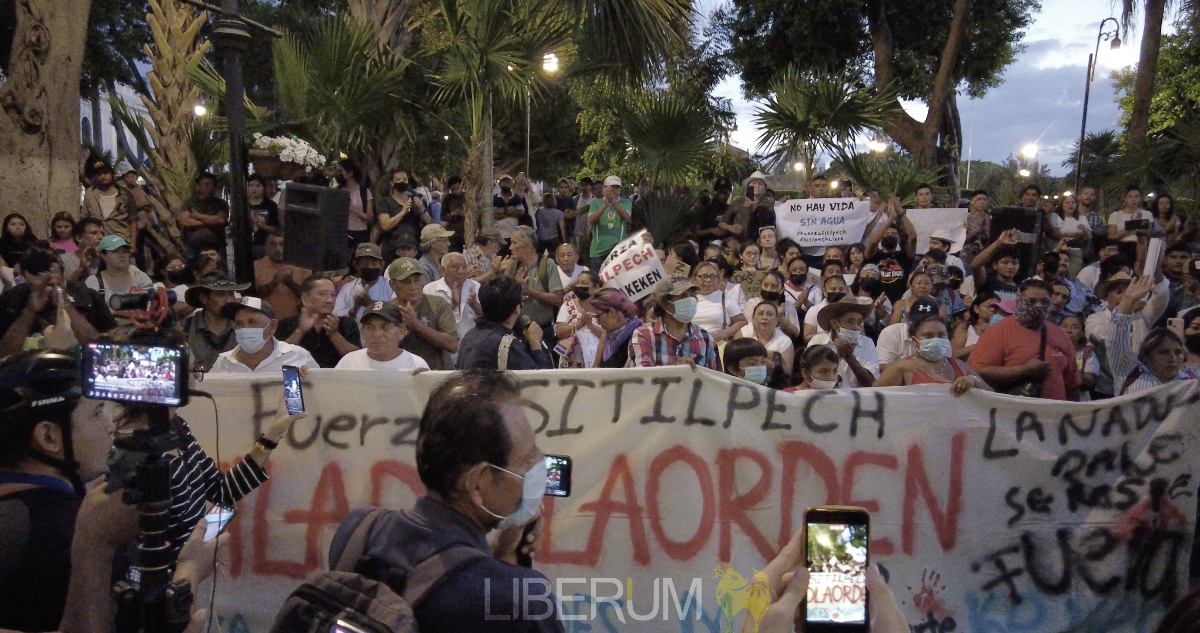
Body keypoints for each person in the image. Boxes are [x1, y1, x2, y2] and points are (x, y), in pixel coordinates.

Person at [328, 371, 560, 632]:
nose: (542, 462)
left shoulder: (359, 530)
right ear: (478, 483)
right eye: (529, 459)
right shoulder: (522, 601)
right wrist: (508, 575)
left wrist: (501, 558)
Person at [0, 350, 116, 631]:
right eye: (97, 413)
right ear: (49, 437)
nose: (110, 426)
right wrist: (192, 569)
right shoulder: (79, 531)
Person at [969, 279, 1081, 400]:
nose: (1038, 306)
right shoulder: (998, 331)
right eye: (1032, 301)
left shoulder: (1061, 335)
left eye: (1044, 301)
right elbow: (978, 372)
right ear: (1019, 302)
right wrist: (1024, 370)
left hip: (1052, 415)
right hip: (1010, 413)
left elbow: (1071, 385)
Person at [1106, 274, 1197, 394]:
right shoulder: (1129, 373)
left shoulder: (1192, 384)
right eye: (1163, 352)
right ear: (1146, 356)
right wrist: (1127, 301)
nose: (1173, 358)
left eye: (1178, 352)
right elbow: (1115, 341)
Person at [874, 308, 992, 396]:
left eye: (941, 335)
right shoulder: (901, 368)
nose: (936, 340)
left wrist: (973, 380)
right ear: (915, 341)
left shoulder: (960, 367)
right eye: (928, 336)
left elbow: (995, 399)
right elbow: (873, 398)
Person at [456, 275, 552, 370]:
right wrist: (536, 344)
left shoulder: (469, 336)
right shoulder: (507, 345)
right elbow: (539, 381)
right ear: (517, 309)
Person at [628, 275, 722, 370]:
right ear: (664, 303)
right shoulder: (643, 335)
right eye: (682, 296)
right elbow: (642, 378)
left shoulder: (706, 339)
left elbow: (716, 380)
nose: (690, 301)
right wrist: (676, 371)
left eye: (692, 296)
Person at [210, 296, 318, 373]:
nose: (245, 328)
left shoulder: (298, 357)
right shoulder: (223, 363)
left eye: (252, 322)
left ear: (272, 326)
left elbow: (321, 393)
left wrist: (307, 380)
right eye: (239, 323)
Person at [386, 257, 459, 370]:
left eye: (417, 280)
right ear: (392, 285)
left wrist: (417, 325)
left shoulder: (438, 304)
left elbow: (453, 345)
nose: (413, 286)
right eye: (406, 282)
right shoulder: (388, 310)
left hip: (437, 376)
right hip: (402, 376)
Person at [276, 277, 361, 368]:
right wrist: (300, 331)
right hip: (300, 379)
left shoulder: (347, 324)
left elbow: (358, 358)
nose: (330, 300)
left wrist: (334, 335)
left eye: (333, 295)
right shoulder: (286, 324)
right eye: (322, 294)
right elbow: (276, 358)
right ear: (305, 298)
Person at [503, 226, 564, 340]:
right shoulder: (512, 267)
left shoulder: (547, 264)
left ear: (527, 245)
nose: (511, 247)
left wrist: (529, 292)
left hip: (542, 333)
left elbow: (557, 299)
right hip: (517, 332)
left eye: (514, 243)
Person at [334, 301, 430, 372]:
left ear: (401, 332)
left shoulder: (416, 364)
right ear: (362, 332)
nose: (377, 334)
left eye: (385, 327)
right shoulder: (349, 362)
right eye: (370, 327)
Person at [806, 296, 880, 388]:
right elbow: (809, 377)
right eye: (850, 321)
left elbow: (870, 383)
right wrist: (837, 356)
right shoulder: (818, 341)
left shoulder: (867, 343)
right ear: (834, 323)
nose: (856, 327)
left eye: (859, 322)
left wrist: (850, 358)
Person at [180, 273, 246, 371]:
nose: (228, 300)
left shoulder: (243, 326)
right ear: (204, 298)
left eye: (231, 294)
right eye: (220, 295)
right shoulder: (187, 328)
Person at [423, 252, 482, 343]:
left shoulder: (475, 287)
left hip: (472, 345)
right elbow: (428, 321)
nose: (461, 271)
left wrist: (475, 305)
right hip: (444, 346)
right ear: (443, 270)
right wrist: (452, 305)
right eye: (455, 267)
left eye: (464, 267)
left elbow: (487, 318)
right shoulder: (430, 290)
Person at [83, 235, 156, 304]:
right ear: (103, 256)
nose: (122, 256)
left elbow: (149, 306)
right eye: (115, 251)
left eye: (125, 251)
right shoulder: (94, 281)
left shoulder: (140, 278)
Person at [735, 299, 794, 382]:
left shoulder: (785, 341)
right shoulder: (743, 333)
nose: (764, 317)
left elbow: (788, 373)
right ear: (753, 318)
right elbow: (733, 362)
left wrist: (773, 365)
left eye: (770, 314)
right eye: (760, 314)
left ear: (776, 320)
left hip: (773, 384)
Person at [80, 162, 137, 245]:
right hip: (98, 242)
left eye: (105, 173)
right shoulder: (90, 193)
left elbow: (133, 220)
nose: (102, 176)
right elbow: (84, 217)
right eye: (99, 174)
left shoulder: (125, 194)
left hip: (121, 241)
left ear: (112, 174)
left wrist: (133, 244)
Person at [334, 243, 395, 321]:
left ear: (382, 265)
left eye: (374, 264)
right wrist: (354, 309)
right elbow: (335, 314)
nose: (370, 267)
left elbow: (395, 311)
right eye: (365, 264)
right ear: (356, 265)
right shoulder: (347, 288)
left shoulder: (390, 286)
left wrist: (371, 303)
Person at [690, 260, 746, 343]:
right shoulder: (688, 298)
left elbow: (742, 321)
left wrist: (725, 333)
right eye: (704, 276)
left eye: (713, 276)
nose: (709, 280)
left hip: (717, 345)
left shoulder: (725, 297)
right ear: (694, 279)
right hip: (692, 344)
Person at [178, 172, 229, 262]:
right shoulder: (189, 202)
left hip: (216, 246)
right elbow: (185, 221)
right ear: (198, 186)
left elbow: (221, 220)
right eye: (206, 185)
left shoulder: (221, 204)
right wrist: (211, 222)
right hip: (193, 247)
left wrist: (198, 216)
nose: (210, 188)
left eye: (213, 185)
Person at [586, 175, 632, 271]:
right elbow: (591, 220)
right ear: (604, 188)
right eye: (611, 187)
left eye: (617, 187)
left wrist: (613, 202)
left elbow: (626, 217)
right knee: (597, 281)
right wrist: (605, 205)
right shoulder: (595, 203)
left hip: (618, 250)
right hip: (598, 251)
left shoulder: (626, 202)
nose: (614, 190)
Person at [377, 180, 430, 257]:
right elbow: (385, 226)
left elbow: (429, 221)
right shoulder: (385, 201)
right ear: (392, 183)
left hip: (414, 244)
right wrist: (402, 212)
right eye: (398, 179)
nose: (402, 181)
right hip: (392, 246)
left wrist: (421, 207)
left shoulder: (415, 200)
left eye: (405, 179)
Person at [590, 287, 641, 368]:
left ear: (612, 313)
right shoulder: (607, 333)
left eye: (598, 316)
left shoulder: (640, 335)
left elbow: (623, 376)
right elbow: (595, 369)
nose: (597, 322)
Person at [970, 230, 1022, 302]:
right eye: (1005, 262)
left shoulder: (1021, 289)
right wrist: (999, 242)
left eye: (1015, 263)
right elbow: (975, 266)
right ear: (995, 265)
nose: (1010, 266)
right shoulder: (987, 282)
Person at [746, 270, 800, 338]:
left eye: (774, 286)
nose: (768, 289)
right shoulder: (752, 303)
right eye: (765, 285)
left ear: (782, 289)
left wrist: (781, 318)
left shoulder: (788, 306)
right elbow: (748, 329)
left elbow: (795, 333)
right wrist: (774, 314)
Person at [1107, 184, 1154, 259]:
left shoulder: (1147, 214)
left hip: (1141, 245)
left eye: (1136, 197)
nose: (1133, 199)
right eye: (1130, 196)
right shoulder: (1116, 214)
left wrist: (1141, 230)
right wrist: (1132, 225)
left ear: (1140, 199)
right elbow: (1112, 236)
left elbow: (1149, 234)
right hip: (1122, 246)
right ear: (1124, 199)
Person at [337, 159, 375, 251]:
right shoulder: (337, 191)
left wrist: (351, 208)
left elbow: (369, 218)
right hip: (341, 233)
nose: (338, 174)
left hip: (360, 234)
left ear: (350, 173)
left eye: (340, 171)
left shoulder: (364, 192)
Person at [952, 291, 1000, 360]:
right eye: (988, 306)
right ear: (976, 309)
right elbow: (954, 354)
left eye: (996, 307)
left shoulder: (1002, 330)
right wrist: (979, 344)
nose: (992, 309)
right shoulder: (965, 327)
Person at [1061, 314, 1098, 400]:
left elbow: (1090, 381)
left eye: (1074, 327)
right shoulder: (1050, 350)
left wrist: (1070, 373)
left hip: (1079, 400)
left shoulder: (1087, 353)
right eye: (1064, 326)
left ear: (1082, 333)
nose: (1068, 330)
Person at [803, 274, 849, 343]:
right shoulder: (814, 310)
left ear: (846, 290)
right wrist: (830, 337)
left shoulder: (852, 310)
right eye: (833, 289)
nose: (837, 292)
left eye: (841, 289)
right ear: (824, 291)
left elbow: (861, 335)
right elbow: (807, 337)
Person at [60, 218, 105, 282]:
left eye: (102, 234)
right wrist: (81, 269)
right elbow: (62, 286)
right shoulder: (64, 260)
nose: (100, 237)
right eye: (93, 233)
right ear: (79, 237)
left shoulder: (106, 260)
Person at [247, 173, 280, 260]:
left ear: (263, 188)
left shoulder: (271, 205)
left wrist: (258, 223)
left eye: (258, 186)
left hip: (264, 246)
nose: (254, 189)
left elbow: (275, 229)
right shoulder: (242, 204)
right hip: (245, 245)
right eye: (251, 185)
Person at [492, 174, 526, 240]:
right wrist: (511, 213)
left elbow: (521, 212)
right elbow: (493, 214)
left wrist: (504, 211)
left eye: (508, 182)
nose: (506, 184)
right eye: (504, 182)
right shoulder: (494, 198)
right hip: (498, 234)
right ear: (499, 184)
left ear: (511, 184)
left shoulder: (516, 198)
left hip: (513, 234)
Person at [441, 176, 468, 252]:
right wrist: (451, 215)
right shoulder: (448, 199)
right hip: (453, 234)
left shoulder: (468, 197)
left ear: (462, 186)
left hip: (467, 232)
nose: (456, 191)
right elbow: (442, 216)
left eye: (458, 188)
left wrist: (465, 214)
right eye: (453, 189)